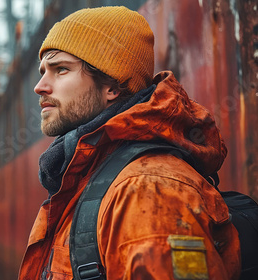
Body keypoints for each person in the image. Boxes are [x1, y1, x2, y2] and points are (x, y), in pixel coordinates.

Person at [18, 6, 241, 280]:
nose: (39, 86)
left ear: (112, 86)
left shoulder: (148, 189)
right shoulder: (93, 174)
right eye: (43, 71)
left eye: (60, 69)